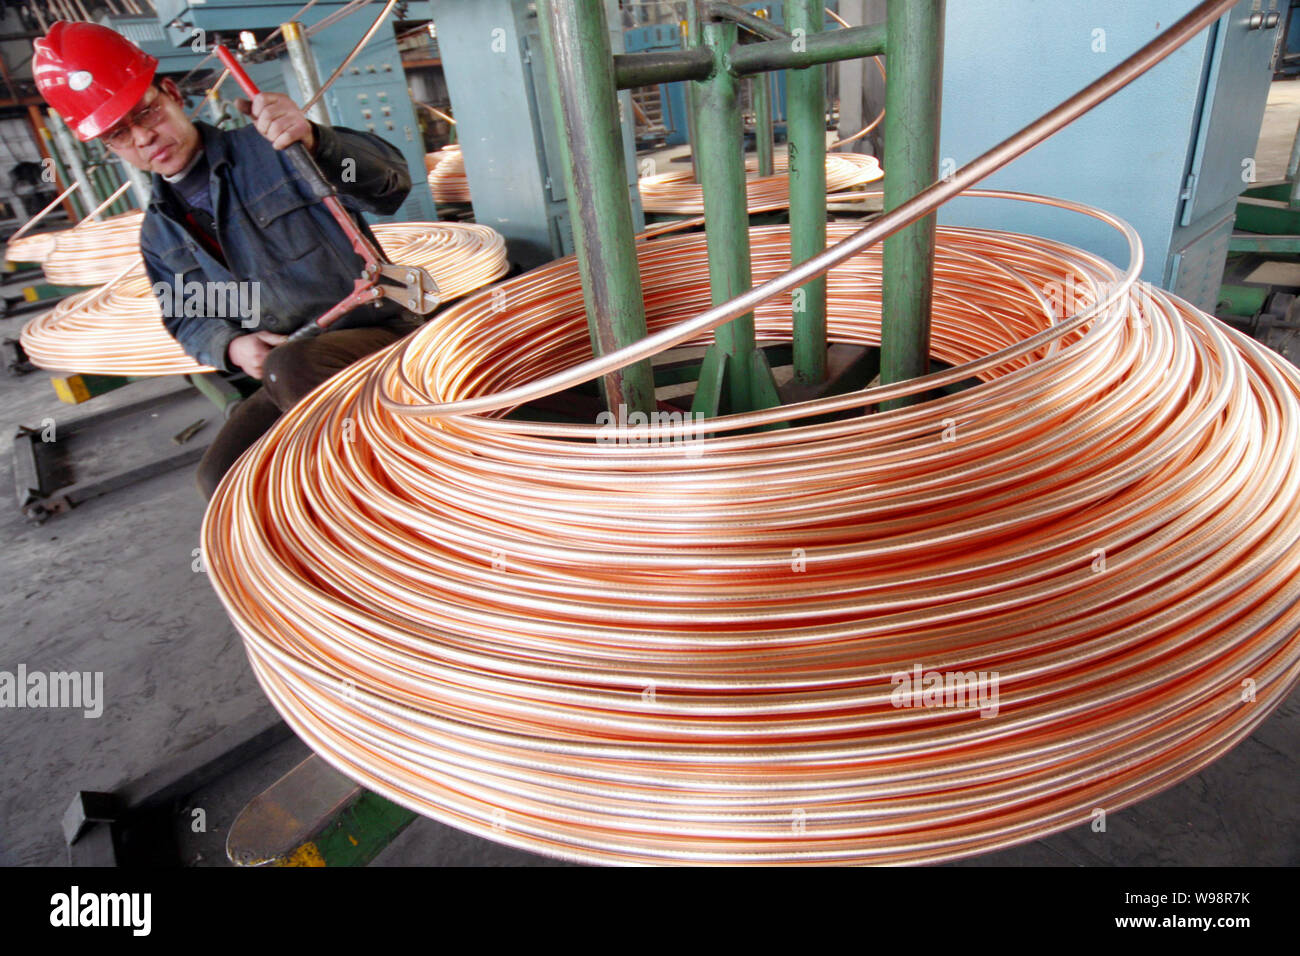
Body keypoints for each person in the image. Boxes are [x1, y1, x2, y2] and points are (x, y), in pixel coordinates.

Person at [32, 20, 419, 498]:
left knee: (292, 370)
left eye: (147, 112)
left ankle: (391, 499)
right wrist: (232, 346)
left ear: (172, 92)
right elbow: (186, 314)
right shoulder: (159, 232)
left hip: (381, 335)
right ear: (106, 146)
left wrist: (319, 141)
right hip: (293, 371)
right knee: (222, 480)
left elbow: (391, 185)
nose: (143, 138)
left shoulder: (275, 149)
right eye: (118, 134)